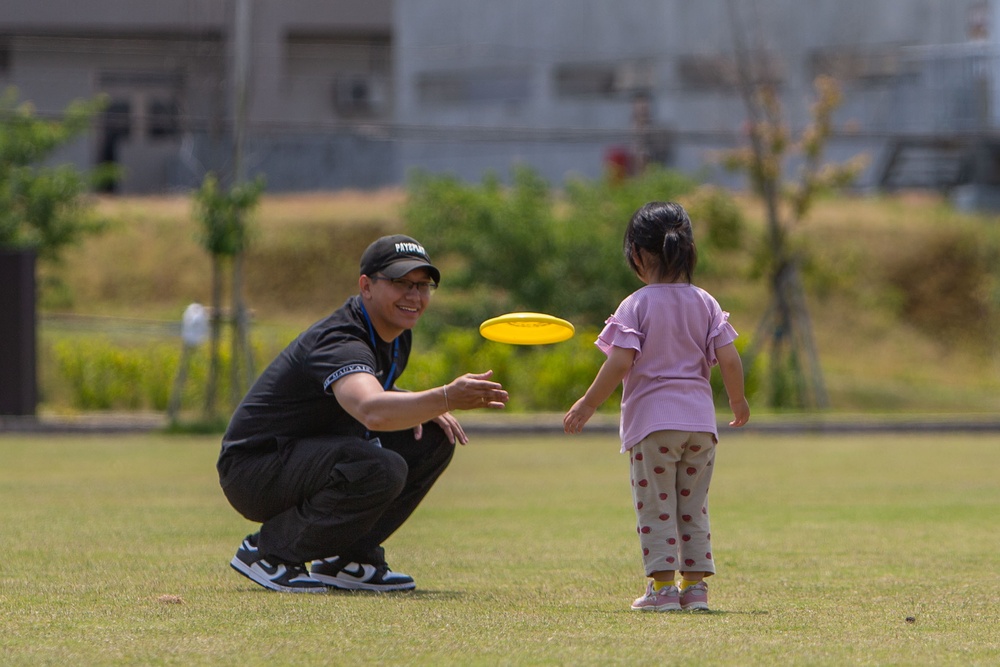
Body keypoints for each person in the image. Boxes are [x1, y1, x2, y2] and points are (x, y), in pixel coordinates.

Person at [218, 234, 509, 593]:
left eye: (422, 285)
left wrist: (423, 406)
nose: (414, 296)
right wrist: (446, 396)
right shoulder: (341, 338)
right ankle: (269, 552)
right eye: (400, 283)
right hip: (254, 470)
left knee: (432, 440)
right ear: (366, 286)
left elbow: (370, 388)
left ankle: (349, 559)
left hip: (302, 455)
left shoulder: (397, 334)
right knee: (380, 466)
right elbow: (370, 410)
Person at [563, 201, 750, 612]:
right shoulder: (706, 302)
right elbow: (731, 358)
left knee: (657, 506)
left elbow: (620, 361)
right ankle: (696, 590)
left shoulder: (637, 304)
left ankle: (663, 590)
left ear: (637, 255)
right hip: (701, 426)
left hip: (654, 426)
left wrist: (587, 404)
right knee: (692, 504)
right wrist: (737, 400)